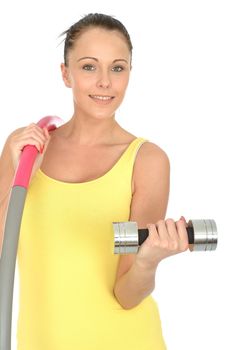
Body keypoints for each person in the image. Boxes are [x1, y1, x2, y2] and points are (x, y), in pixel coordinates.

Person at [0, 13, 189, 350]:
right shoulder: (25, 148)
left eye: (117, 68)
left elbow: (128, 295)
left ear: (130, 73)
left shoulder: (147, 161)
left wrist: (148, 261)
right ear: (65, 73)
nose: (105, 82)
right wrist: (18, 169)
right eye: (89, 66)